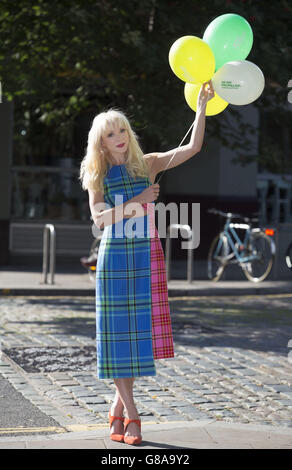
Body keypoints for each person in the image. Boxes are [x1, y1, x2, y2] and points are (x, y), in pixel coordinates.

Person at [79, 80, 214, 446]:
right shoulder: (98, 176)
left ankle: (116, 409)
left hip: (145, 256)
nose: (119, 136)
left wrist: (201, 108)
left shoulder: (148, 163)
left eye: (122, 130)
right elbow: (99, 220)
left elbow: (193, 146)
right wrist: (138, 200)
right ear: (101, 142)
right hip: (113, 259)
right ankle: (134, 414)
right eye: (111, 133)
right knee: (117, 337)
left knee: (136, 340)